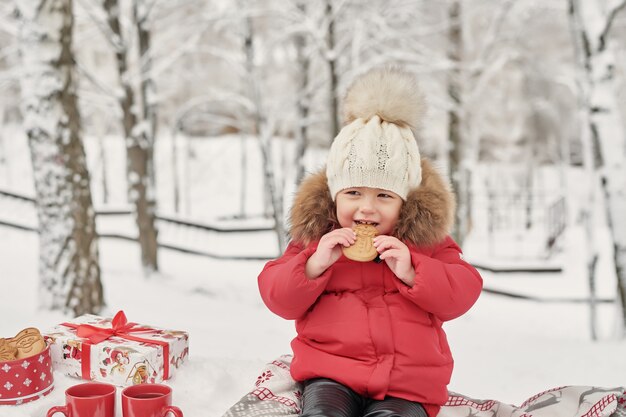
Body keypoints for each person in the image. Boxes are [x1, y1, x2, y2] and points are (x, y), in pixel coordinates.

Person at [258, 67, 483, 417]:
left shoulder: (424, 243)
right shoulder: (318, 240)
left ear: (405, 202)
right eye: (353, 193)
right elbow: (277, 296)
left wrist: (414, 270)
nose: (367, 207)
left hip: (407, 387)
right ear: (334, 198)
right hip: (330, 374)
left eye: (383, 195)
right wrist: (314, 264)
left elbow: (463, 291)